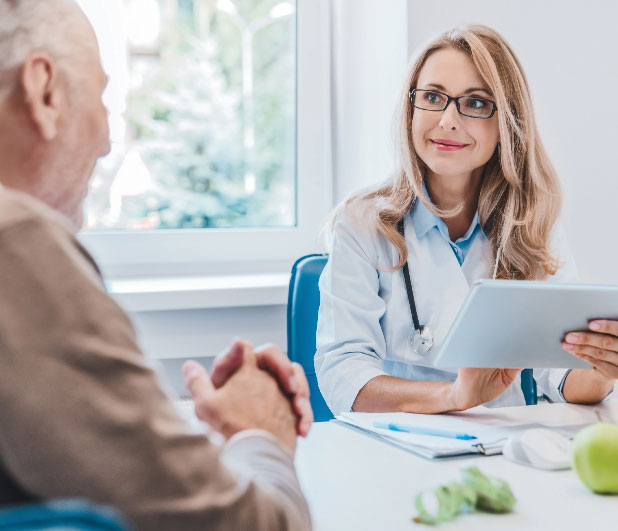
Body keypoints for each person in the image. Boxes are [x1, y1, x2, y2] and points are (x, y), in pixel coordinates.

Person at [0, 1, 312, 529]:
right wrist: (259, 432)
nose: (105, 141)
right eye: (100, 96)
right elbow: (253, 525)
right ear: (44, 90)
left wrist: (192, 441)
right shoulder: (19, 247)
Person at [315, 25, 617, 415]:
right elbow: (343, 374)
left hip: (501, 448)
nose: (447, 120)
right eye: (433, 97)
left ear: (507, 123)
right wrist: (452, 398)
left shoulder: (532, 223)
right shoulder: (362, 223)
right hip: (393, 445)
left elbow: (558, 373)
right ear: (411, 108)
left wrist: (601, 369)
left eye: (475, 103)